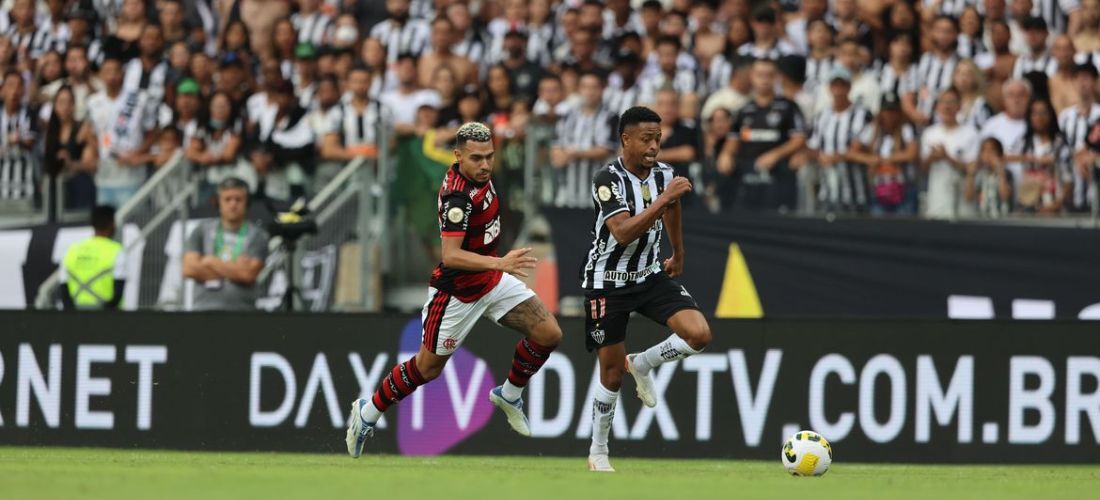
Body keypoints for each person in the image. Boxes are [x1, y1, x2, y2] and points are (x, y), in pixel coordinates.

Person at [345, 122, 564, 458]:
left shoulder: (481, 174)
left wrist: (496, 267)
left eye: (490, 156)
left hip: (491, 280)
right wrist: (498, 263)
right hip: (457, 293)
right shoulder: (456, 197)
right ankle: (367, 413)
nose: (486, 165)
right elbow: (451, 255)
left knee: (549, 333)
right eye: (477, 158)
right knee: (426, 369)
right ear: (458, 155)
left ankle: (508, 394)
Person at [580, 106, 711, 472]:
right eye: (646, 139)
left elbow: (673, 211)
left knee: (698, 334)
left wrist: (678, 252)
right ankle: (598, 452)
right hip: (607, 282)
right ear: (626, 140)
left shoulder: (664, 174)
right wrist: (664, 199)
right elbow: (622, 233)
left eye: (658, 138)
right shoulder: (607, 178)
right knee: (610, 374)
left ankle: (644, 362)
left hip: (650, 275)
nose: (654, 146)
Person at [718, 58, 807, 212]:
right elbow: (733, 140)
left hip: (779, 176)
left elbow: (799, 139)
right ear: (752, 77)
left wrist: (775, 155)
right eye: (760, 75)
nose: (764, 80)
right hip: (747, 176)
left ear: (776, 78)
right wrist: (725, 154)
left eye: (769, 75)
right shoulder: (743, 109)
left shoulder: (789, 107)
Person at [182, 177, 268, 311]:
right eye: (227, 199)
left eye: (238, 199)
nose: (233, 204)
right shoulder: (201, 230)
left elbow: (247, 274)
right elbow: (189, 269)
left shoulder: (258, 235)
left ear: (247, 203)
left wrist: (210, 261)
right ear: (218, 203)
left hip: (243, 311)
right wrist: (234, 270)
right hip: (203, 310)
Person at [86, 56, 158, 207]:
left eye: (115, 71)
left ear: (123, 74)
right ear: (100, 75)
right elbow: (91, 132)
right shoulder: (93, 102)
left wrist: (137, 153)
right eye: (107, 72)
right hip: (106, 172)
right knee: (107, 223)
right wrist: (96, 152)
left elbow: (153, 134)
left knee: (132, 220)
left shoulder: (138, 99)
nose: (111, 76)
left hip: (132, 172)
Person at [809, 67, 875, 213]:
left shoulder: (862, 114)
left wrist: (835, 157)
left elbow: (861, 146)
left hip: (856, 191)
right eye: (835, 85)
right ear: (829, 88)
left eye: (842, 85)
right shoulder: (821, 116)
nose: (838, 90)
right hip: (827, 190)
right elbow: (813, 146)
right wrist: (819, 156)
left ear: (849, 87)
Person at [551, 72, 615, 208]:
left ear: (602, 89)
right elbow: (556, 148)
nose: (590, 92)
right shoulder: (567, 116)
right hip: (567, 192)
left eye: (594, 87)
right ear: (579, 90)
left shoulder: (611, 117)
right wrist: (559, 156)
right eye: (585, 87)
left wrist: (573, 154)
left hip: (598, 194)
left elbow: (606, 150)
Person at [850, 92, 919, 216]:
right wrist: (870, 159)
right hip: (879, 188)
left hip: (903, 189)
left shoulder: (906, 129)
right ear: (881, 112)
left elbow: (912, 153)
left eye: (894, 111)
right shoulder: (871, 130)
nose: (890, 116)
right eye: (887, 111)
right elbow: (851, 153)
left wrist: (887, 159)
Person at [922, 87, 982, 219]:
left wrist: (947, 158)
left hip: (963, 205)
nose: (947, 106)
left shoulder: (971, 133)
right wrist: (931, 158)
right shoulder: (929, 134)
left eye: (951, 102)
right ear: (937, 106)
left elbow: (972, 168)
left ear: (959, 106)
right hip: (938, 202)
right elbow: (923, 170)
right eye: (943, 102)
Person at [59, 205, 127, 310]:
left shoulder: (72, 250)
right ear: (112, 224)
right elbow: (117, 295)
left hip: (77, 318)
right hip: (108, 320)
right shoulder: (117, 251)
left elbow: (64, 293)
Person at [1060, 63, 1100, 212]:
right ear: (1072, 82)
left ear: (1095, 81)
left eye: (1086, 78)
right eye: (1077, 78)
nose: (1082, 83)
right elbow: (1061, 148)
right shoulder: (1065, 117)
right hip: (1071, 182)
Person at [0, 70, 38, 203]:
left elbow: (30, 143)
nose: (14, 90)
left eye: (18, 86)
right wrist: (7, 143)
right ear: (2, 90)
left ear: (23, 91)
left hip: (25, 185)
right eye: (10, 85)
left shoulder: (30, 113)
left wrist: (18, 141)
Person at [963, 138, 1014, 217]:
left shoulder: (1007, 173)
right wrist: (970, 175)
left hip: (1003, 220)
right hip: (981, 220)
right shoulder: (979, 174)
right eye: (984, 151)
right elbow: (968, 197)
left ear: (1000, 154)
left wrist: (1000, 172)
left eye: (992, 151)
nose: (987, 154)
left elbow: (1005, 196)